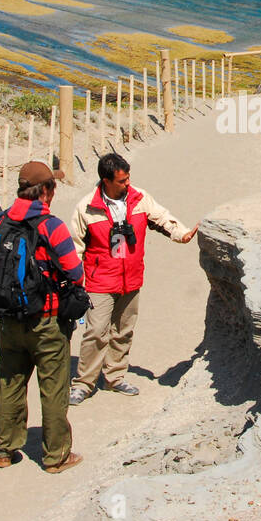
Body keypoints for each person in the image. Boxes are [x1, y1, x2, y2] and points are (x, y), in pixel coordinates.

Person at [69, 153, 195, 405]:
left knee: (123, 331)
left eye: (128, 178)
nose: (128, 184)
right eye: (122, 180)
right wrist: (74, 283)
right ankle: (83, 383)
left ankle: (114, 377)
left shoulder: (139, 198)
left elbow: (161, 217)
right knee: (96, 332)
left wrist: (182, 234)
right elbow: (75, 247)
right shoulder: (86, 208)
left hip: (131, 279)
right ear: (106, 180)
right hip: (100, 282)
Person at [0, 160, 84, 474]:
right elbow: (75, 271)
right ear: (45, 191)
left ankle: (5, 448)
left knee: (10, 382)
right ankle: (56, 456)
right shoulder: (51, 225)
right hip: (47, 320)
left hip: (8, 318)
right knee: (53, 387)